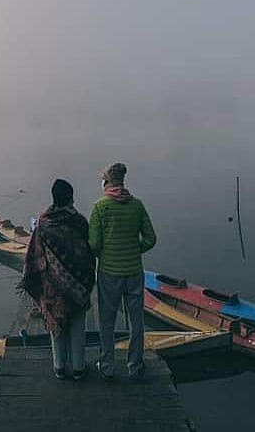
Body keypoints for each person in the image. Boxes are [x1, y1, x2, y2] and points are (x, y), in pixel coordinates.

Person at [18, 178, 96, 381]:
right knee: (77, 324)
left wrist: (38, 284)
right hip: (78, 285)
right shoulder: (79, 222)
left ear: (53, 197)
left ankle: (59, 367)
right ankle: (78, 368)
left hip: (51, 287)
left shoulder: (43, 223)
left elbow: (33, 255)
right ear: (71, 197)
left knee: (56, 324)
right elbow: (88, 253)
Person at [89, 162, 157, 380]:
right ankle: (135, 365)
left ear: (107, 182)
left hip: (109, 273)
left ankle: (107, 365)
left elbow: (94, 245)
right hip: (134, 272)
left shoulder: (100, 207)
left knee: (107, 320)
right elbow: (150, 239)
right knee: (136, 321)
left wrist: (106, 254)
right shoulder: (137, 205)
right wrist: (136, 250)